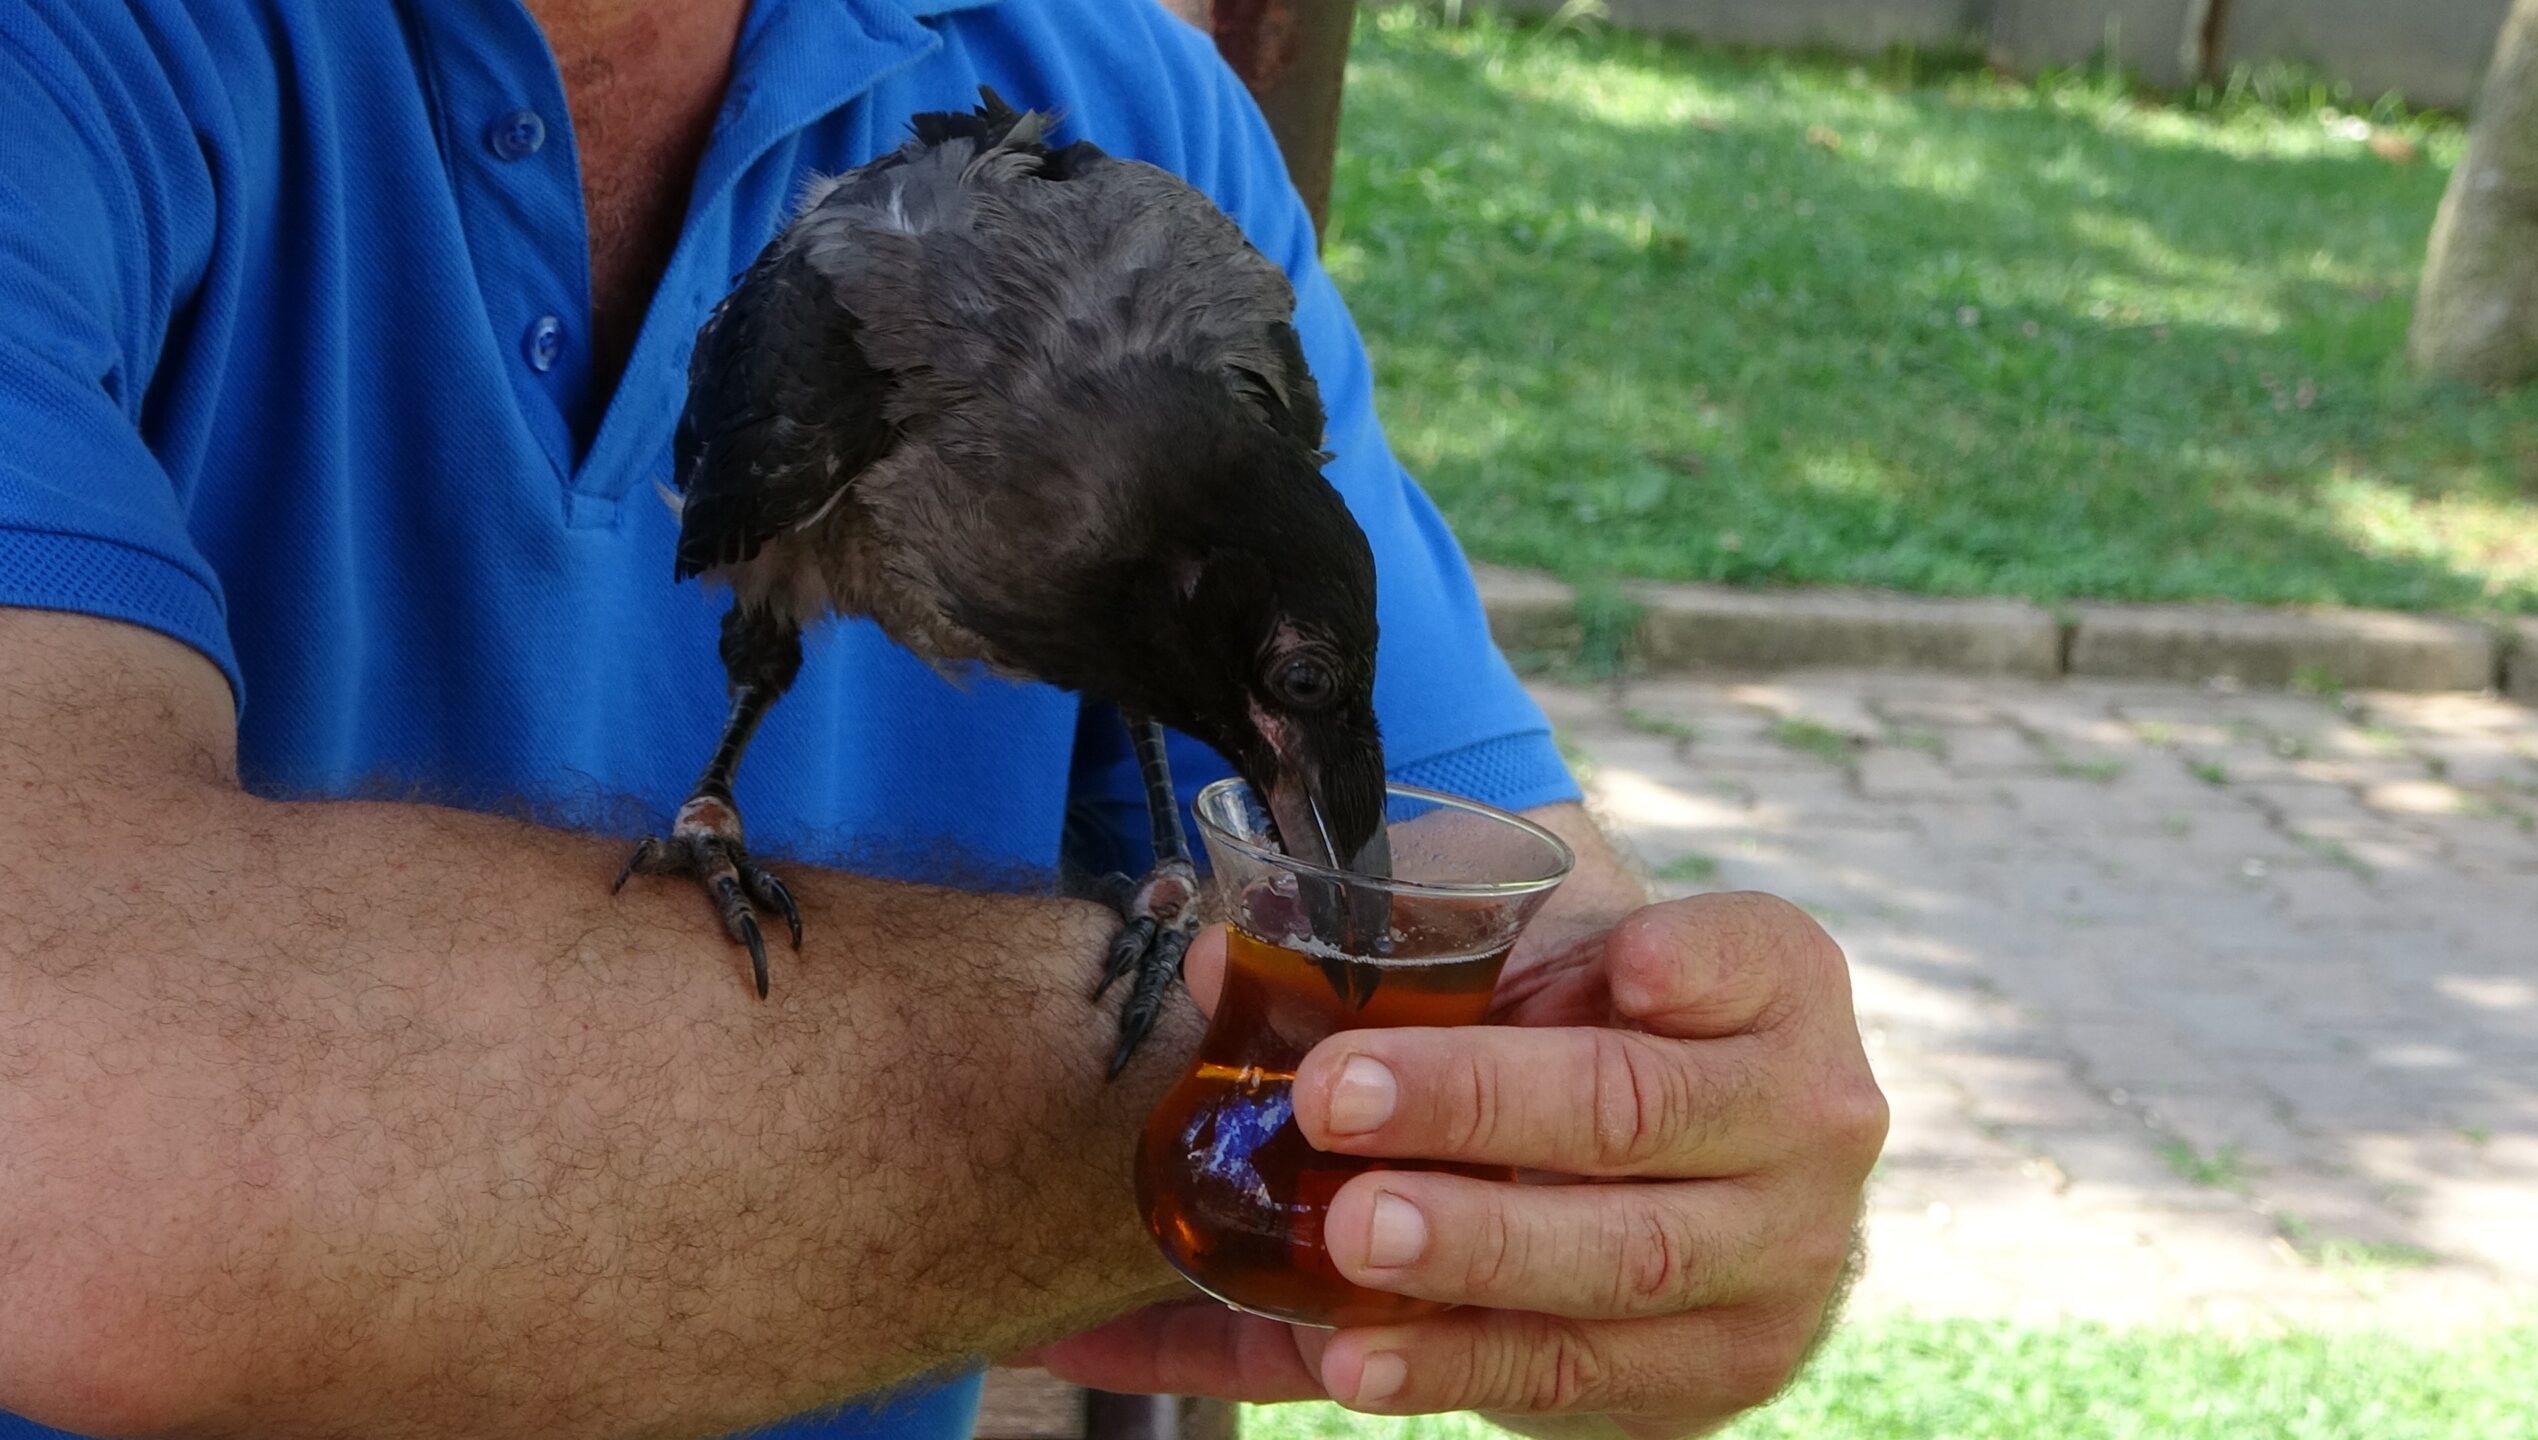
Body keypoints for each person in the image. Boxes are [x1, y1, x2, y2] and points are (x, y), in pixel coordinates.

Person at [0, 1, 1888, 1437]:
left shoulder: (1126, 123)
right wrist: (1288, 1123)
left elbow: (1522, 933)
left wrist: (1654, 1143)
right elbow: (78, 1145)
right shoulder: (77, 64)